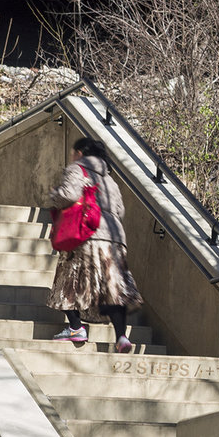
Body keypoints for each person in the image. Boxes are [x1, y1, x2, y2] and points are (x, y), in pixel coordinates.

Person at [47, 140, 141, 352]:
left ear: (79, 153)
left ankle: (75, 327)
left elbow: (69, 195)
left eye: (73, 153)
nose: (72, 157)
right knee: (113, 288)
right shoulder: (110, 180)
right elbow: (120, 210)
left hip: (87, 234)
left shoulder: (77, 169)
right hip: (115, 238)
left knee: (69, 280)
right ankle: (121, 337)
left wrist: (54, 194)